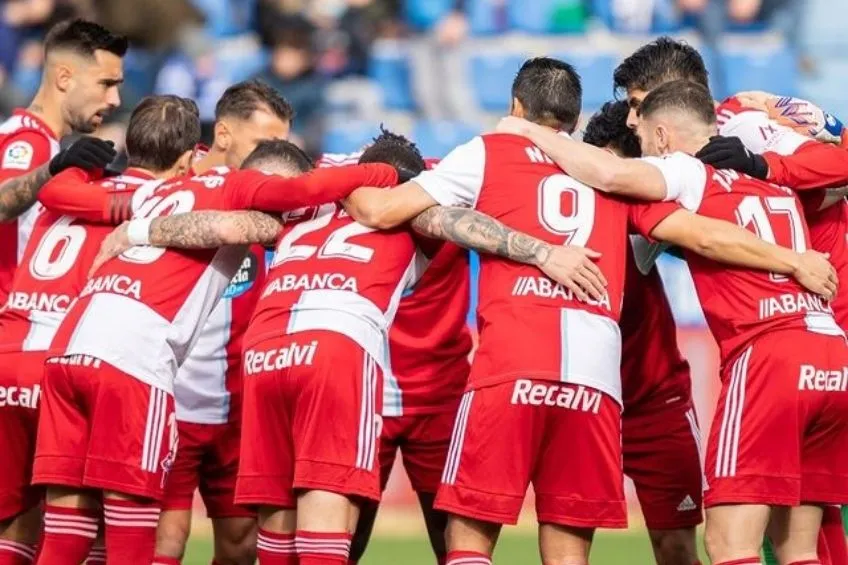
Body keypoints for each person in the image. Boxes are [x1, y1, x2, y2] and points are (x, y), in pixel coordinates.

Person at [338, 57, 836, 565]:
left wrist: (339, 181)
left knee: (470, 538)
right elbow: (700, 228)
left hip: (534, 370)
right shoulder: (654, 183)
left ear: (516, 107)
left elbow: (383, 209)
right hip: (602, 386)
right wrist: (795, 253)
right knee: (786, 533)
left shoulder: (497, 153)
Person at [88, 129, 609, 565]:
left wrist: (136, 231)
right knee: (327, 523)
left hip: (266, 350)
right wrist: (544, 252)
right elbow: (464, 225)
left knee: (276, 526)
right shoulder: (410, 211)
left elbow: (225, 225)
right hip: (337, 346)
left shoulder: (301, 213)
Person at [497, 79, 848, 565]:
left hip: (770, 352)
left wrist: (524, 129)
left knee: (730, 544)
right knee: (799, 546)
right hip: (829, 350)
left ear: (662, 137)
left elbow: (612, 175)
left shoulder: (685, 170)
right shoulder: (770, 173)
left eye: (643, 142)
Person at [30, 144, 403, 565]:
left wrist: (66, 166)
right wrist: (381, 174)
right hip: (132, 359)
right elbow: (297, 194)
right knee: (132, 539)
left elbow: (57, 193)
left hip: (68, 348)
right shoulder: (240, 186)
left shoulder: (156, 192)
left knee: (65, 533)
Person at [614, 37, 848, 562]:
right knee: (799, 530)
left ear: (670, 98)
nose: (632, 122)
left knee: (750, 531)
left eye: (636, 103)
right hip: (815, 329)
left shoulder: (742, 120)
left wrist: (767, 164)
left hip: (809, 317)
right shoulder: (697, 163)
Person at [0, 95, 199, 562]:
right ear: (187, 156)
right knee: (107, 524)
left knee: (19, 520)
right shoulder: (151, 206)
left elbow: (50, 191)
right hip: (70, 357)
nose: (112, 96)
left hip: (10, 353)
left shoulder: (66, 189)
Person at [154, 78, 293, 565]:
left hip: (237, 410)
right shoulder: (173, 192)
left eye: (280, 147)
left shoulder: (272, 205)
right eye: (262, 145)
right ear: (226, 136)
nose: (272, 162)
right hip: (173, 403)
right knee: (165, 541)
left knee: (241, 547)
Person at [317, 142, 472, 565]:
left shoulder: (458, 183)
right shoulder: (337, 186)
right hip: (362, 395)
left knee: (458, 547)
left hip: (441, 395)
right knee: (340, 547)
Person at [582, 100, 705, 565]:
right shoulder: (564, 212)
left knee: (676, 549)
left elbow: (709, 231)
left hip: (656, 406)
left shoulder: (647, 220)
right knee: (569, 541)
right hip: (587, 403)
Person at [0, 18, 125, 306]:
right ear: (64, 78)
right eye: (105, 84)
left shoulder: (30, 137)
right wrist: (53, 168)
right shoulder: (31, 141)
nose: (115, 99)